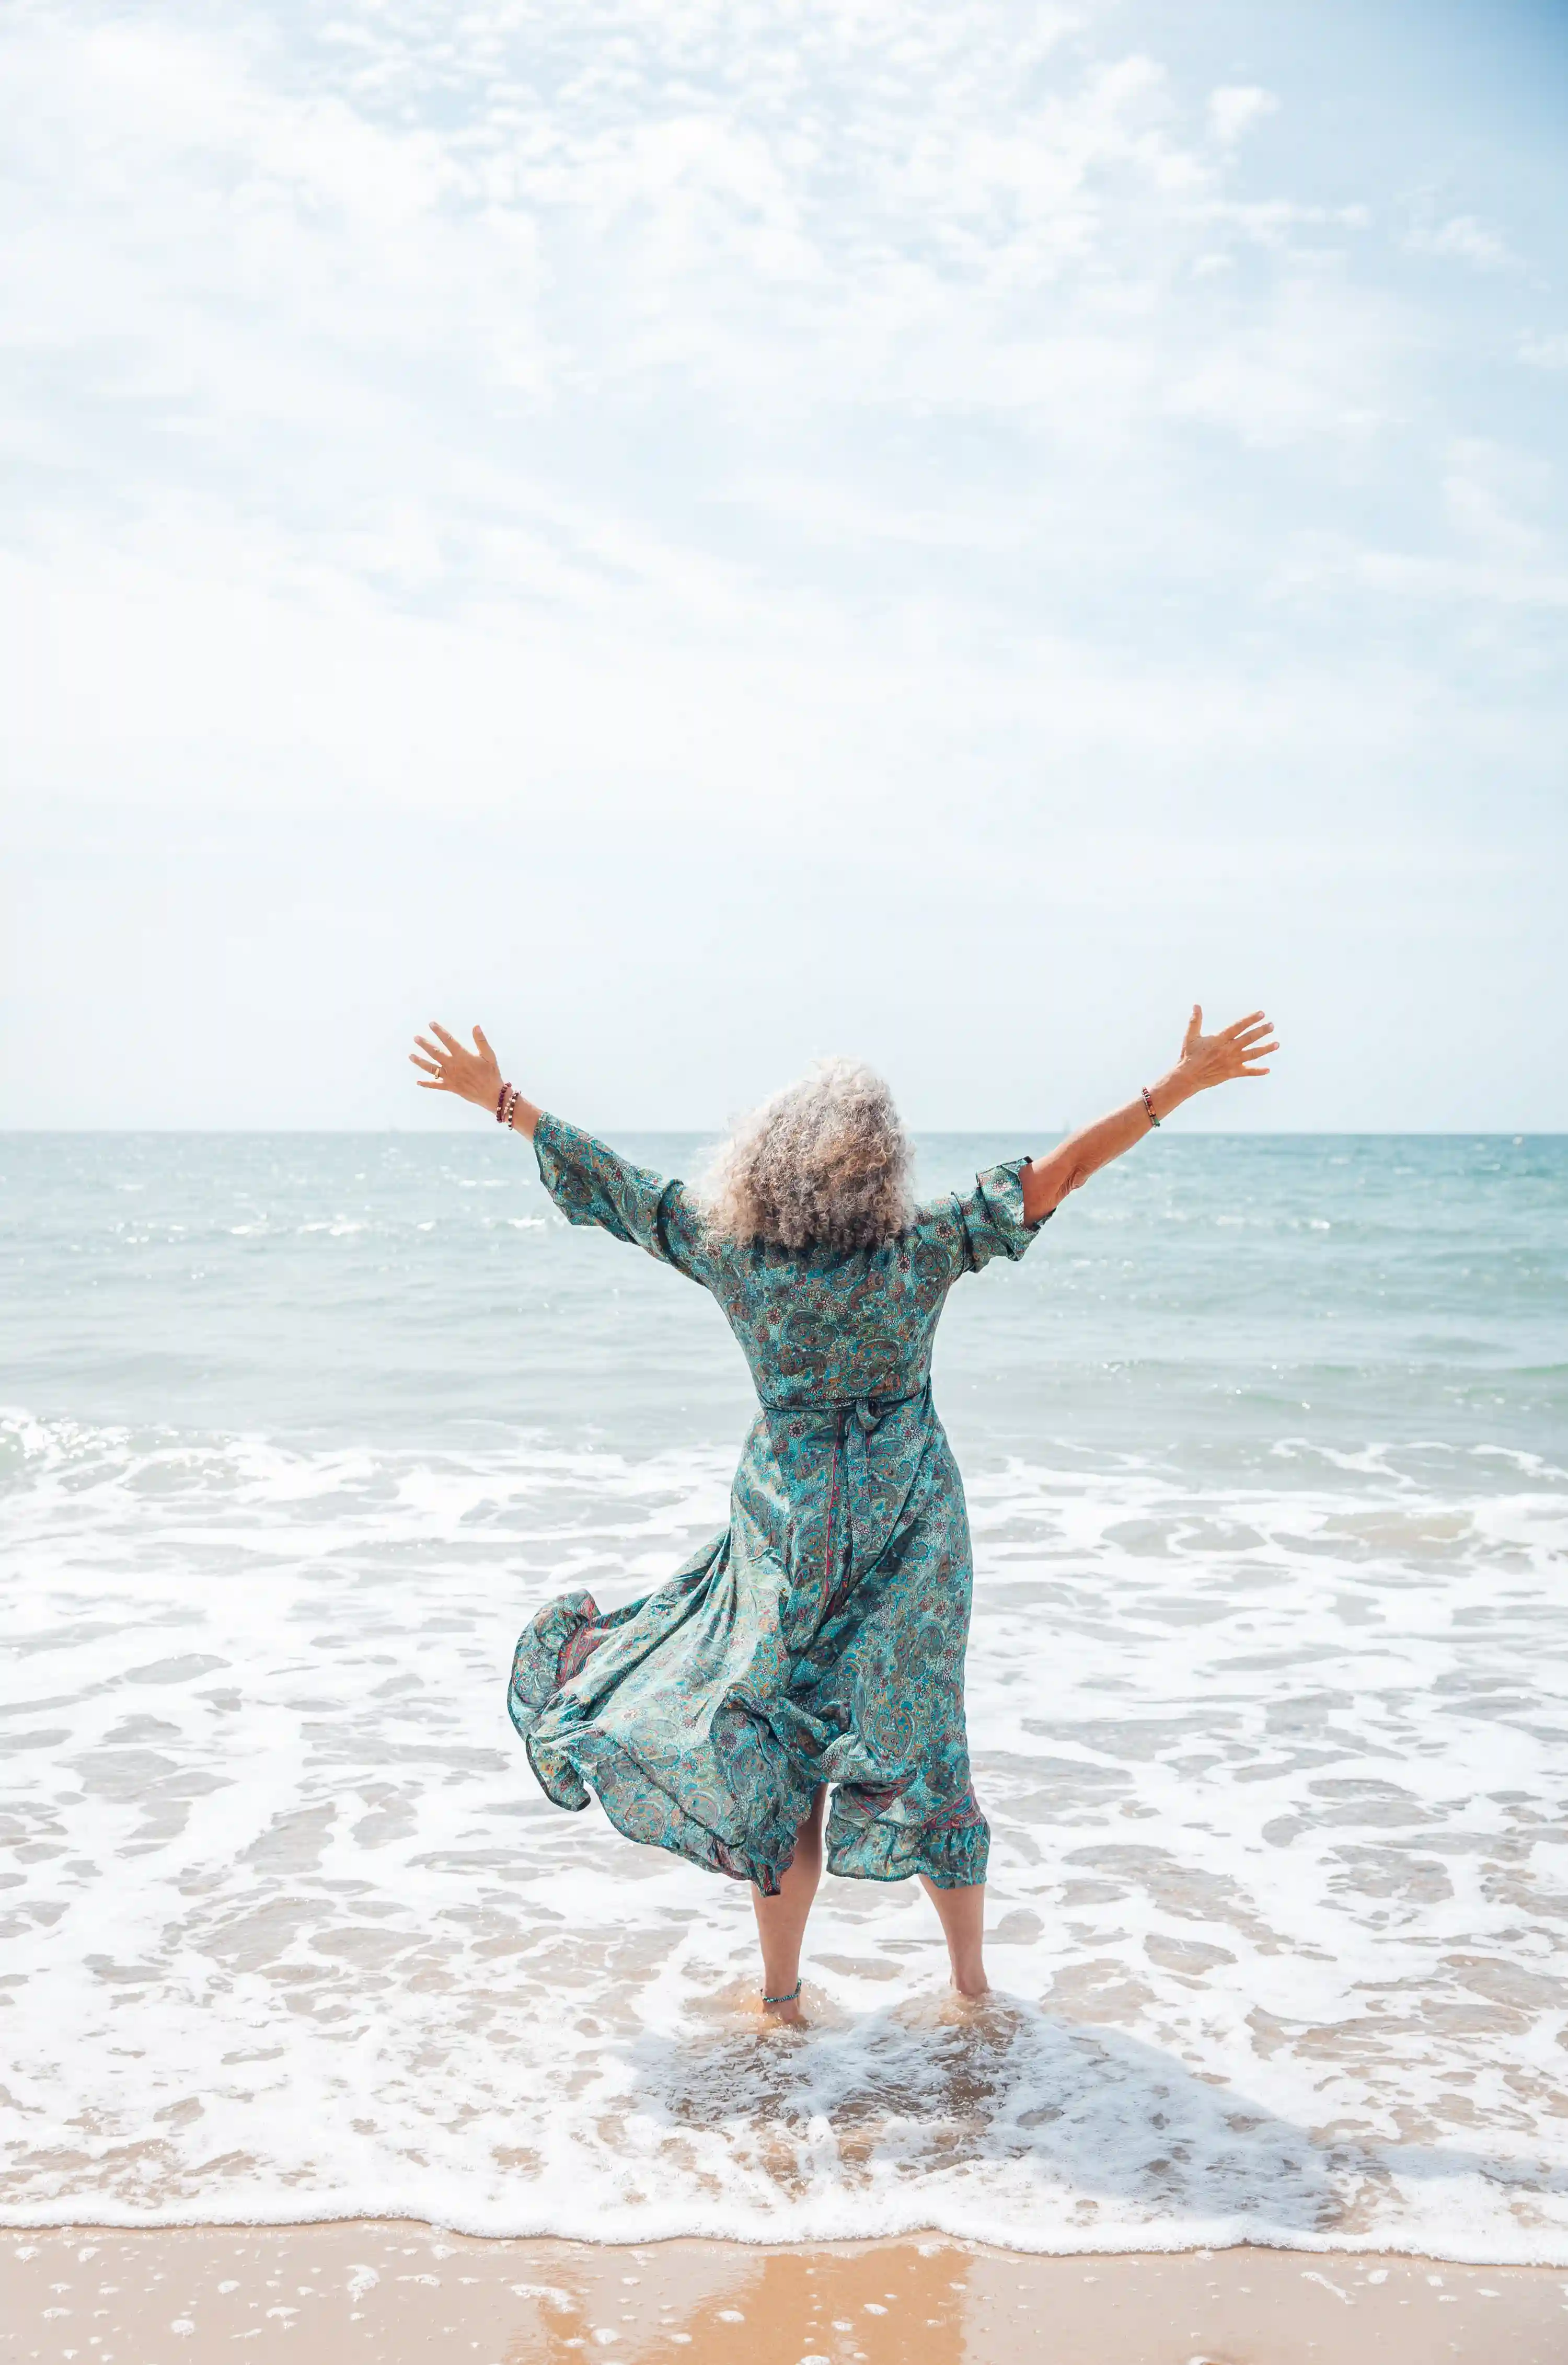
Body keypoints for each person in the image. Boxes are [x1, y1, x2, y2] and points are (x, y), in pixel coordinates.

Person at [409, 1007, 1278, 2023]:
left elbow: (618, 1191)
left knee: (781, 1757)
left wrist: (502, 1103)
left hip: (787, 1539)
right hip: (916, 1534)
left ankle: (780, 2000)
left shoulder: (735, 1253)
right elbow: (1065, 1172)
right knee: (930, 1748)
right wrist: (1175, 1090)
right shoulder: (924, 1249)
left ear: (769, 1160)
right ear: (884, 1166)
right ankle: (971, 1993)